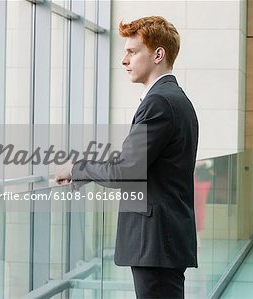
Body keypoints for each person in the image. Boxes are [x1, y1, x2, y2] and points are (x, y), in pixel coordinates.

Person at [55, 16, 199, 298]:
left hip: (156, 243)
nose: (124, 60)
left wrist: (76, 168)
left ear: (158, 54)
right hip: (163, 241)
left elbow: (126, 170)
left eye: (132, 51)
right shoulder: (173, 98)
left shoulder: (159, 102)